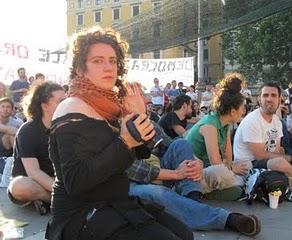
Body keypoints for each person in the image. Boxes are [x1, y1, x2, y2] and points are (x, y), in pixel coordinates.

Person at [46, 27, 193, 240]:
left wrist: (137, 116)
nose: (108, 67)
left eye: (112, 61)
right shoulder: (71, 107)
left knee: (185, 235)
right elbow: (75, 181)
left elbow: (141, 152)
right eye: (97, 61)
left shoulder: (111, 106)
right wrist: (125, 141)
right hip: (80, 214)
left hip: (116, 202)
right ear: (80, 68)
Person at [127, 139, 261, 236]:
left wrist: (197, 162)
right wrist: (176, 174)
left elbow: (168, 143)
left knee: (181, 144)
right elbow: (133, 170)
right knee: (156, 193)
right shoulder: (110, 126)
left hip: (161, 171)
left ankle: (192, 201)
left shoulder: (141, 119)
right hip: (126, 184)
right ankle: (227, 219)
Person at [233, 82, 292, 185]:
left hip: (270, 161)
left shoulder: (276, 121)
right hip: (249, 165)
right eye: (265, 95)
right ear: (259, 99)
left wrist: (291, 164)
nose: (269, 99)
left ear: (279, 99)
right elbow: (260, 155)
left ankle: (291, 175)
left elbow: (276, 151)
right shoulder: (252, 121)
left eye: (273, 95)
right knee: (280, 163)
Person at [186, 73, 250, 194]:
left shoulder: (226, 125)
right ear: (232, 111)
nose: (243, 112)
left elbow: (228, 158)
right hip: (196, 173)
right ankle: (243, 184)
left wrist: (231, 166)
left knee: (247, 165)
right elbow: (216, 164)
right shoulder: (210, 125)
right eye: (242, 108)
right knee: (222, 172)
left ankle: (240, 184)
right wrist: (231, 168)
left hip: (211, 170)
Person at [8, 82, 66, 215]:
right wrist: (62, 191)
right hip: (33, 181)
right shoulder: (28, 130)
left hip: (56, 179)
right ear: (45, 106)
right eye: (61, 101)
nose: (66, 104)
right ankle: (58, 202)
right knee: (19, 186)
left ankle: (47, 200)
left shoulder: (66, 127)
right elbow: (34, 172)